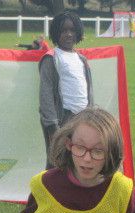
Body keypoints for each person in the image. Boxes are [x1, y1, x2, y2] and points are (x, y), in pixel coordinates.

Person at [40, 11, 93, 168]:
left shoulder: (81, 59)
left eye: (72, 30)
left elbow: (89, 90)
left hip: (83, 117)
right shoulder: (51, 58)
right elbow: (46, 93)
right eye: (63, 31)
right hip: (61, 119)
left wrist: (91, 116)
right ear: (56, 33)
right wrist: (52, 126)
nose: (68, 34)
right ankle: (48, 192)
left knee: (80, 160)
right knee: (57, 163)